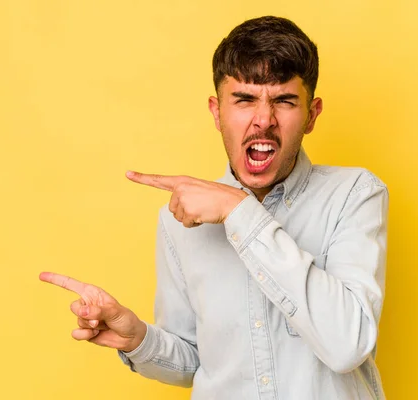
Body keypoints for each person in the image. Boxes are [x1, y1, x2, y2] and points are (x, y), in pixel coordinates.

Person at [40, 15, 388, 400]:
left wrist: (238, 211)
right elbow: (194, 359)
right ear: (216, 111)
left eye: (284, 101)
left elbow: (347, 345)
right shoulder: (178, 220)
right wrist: (138, 338)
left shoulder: (355, 194)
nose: (263, 120)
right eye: (244, 100)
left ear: (312, 115)